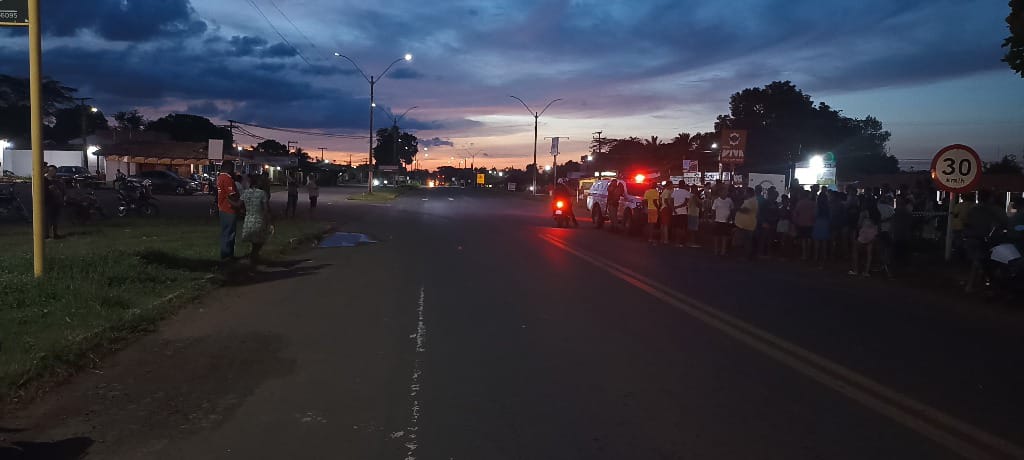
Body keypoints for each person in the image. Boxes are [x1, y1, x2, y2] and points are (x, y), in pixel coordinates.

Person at [963, 190, 1008, 292]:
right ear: (990, 198)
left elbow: (966, 222)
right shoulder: (995, 210)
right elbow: (1005, 222)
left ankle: (973, 284)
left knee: (977, 262)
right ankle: (977, 285)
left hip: (971, 238)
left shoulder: (973, 209)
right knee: (983, 262)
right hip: (985, 240)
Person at [240, 174, 272, 264]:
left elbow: (238, 204)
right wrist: (268, 219)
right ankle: (254, 257)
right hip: (259, 219)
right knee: (260, 240)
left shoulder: (245, 193)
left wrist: (228, 200)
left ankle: (253, 257)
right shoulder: (262, 193)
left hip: (248, 219)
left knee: (253, 240)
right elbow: (266, 209)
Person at [850, 196, 880, 276]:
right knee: (869, 254)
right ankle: (866, 271)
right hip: (873, 234)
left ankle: (855, 270)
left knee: (855, 251)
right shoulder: (877, 213)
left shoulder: (864, 213)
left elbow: (859, 225)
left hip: (864, 234)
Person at [217, 160, 241, 261]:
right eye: (232, 168)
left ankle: (226, 254)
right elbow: (232, 195)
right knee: (229, 233)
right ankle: (227, 255)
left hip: (222, 208)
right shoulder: (227, 178)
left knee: (225, 232)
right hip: (229, 209)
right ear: (229, 168)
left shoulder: (220, 177)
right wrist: (239, 203)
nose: (233, 170)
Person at [734, 187, 759, 259]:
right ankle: (746, 255)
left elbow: (746, 210)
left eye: (745, 192)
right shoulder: (750, 201)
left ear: (749, 193)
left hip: (747, 224)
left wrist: (736, 208)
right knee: (746, 240)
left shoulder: (751, 201)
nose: (744, 194)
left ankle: (746, 256)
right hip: (746, 224)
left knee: (746, 241)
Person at [792, 190, 816, 261]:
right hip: (810, 223)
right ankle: (809, 253)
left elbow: (796, 213)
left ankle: (804, 254)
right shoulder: (813, 203)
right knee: (809, 239)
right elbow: (815, 214)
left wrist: (795, 222)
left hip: (801, 223)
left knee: (803, 239)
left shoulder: (800, 203)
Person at [43, 165, 65, 239]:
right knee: (47, 219)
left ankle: (54, 234)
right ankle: (46, 235)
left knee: (54, 218)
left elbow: (61, 190)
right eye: (50, 170)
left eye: (54, 171)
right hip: (47, 201)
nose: (52, 172)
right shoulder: (45, 179)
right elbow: (52, 189)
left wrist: (61, 197)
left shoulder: (58, 180)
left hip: (55, 201)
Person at [812, 190, 831, 268]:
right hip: (825, 223)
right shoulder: (828, 207)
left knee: (817, 243)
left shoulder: (817, 206)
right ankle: (824, 258)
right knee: (824, 243)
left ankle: (816, 258)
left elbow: (815, 215)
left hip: (818, 223)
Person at [712, 189, 734, 256]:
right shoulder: (716, 200)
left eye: (725, 192)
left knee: (725, 236)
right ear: (720, 193)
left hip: (726, 221)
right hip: (718, 220)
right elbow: (713, 210)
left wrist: (729, 218)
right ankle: (716, 250)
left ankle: (723, 251)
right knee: (716, 236)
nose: (724, 193)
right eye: (723, 192)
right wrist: (713, 219)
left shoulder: (729, 200)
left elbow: (732, 209)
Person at [669, 180, 691, 246]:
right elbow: (685, 203)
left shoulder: (674, 192)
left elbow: (671, 202)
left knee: (676, 227)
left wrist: (674, 209)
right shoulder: (687, 192)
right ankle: (681, 241)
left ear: (679, 185)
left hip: (675, 212)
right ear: (684, 185)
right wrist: (677, 207)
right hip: (683, 212)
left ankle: (676, 241)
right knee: (682, 227)